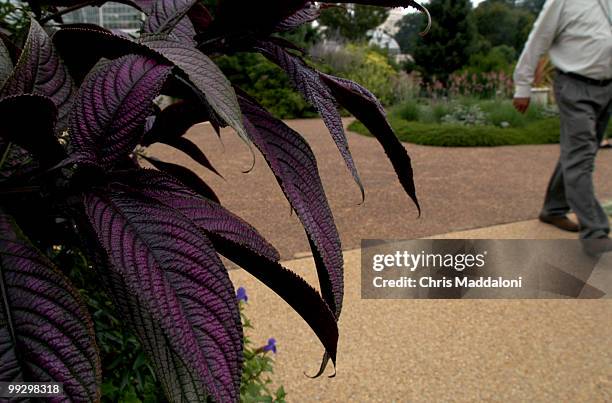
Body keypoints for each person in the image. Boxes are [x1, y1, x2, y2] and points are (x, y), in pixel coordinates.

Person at [512, 0, 612, 255]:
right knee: (581, 157)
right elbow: (538, 40)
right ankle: (595, 231)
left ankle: (553, 208)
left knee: (578, 153)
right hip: (574, 86)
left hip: (607, 87)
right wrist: (522, 86)